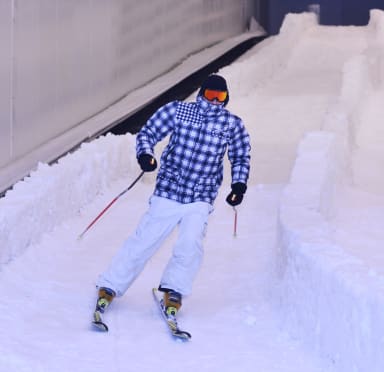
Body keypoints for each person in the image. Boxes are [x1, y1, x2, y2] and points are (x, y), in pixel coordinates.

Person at [93, 74, 251, 327]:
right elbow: (148, 133)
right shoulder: (178, 111)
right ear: (201, 94)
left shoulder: (232, 124)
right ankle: (110, 285)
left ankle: (173, 289)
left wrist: (238, 184)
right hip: (169, 190)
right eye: (210, 95)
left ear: (226, 98)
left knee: (190, 245)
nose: (214, 102)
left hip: (201, 195)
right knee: (145, 240)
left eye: (220, 97)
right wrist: (146, 155)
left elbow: (241, 156)